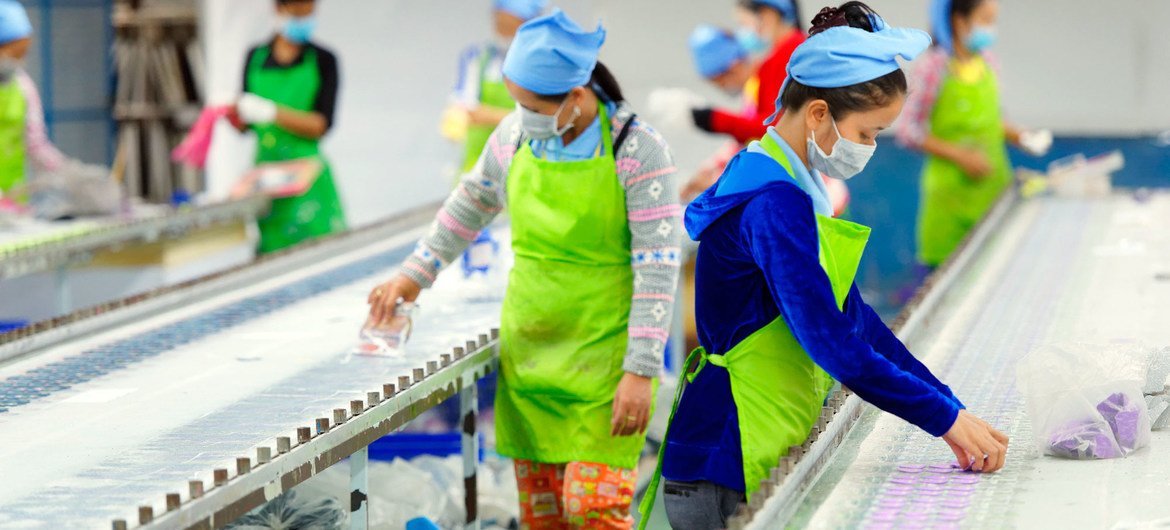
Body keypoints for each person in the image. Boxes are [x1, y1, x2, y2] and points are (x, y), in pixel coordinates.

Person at [640, 4, 1008, 529]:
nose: (870, 149)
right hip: (724, 461)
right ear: (818, 114)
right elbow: (835, 345)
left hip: (757, 442)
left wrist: (953, 407)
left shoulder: (788, 185)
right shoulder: (772, 204)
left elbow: (855, 320)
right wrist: (943, 420)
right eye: (867, 133)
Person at [367, 10, 681, 529]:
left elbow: (657, 265)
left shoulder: (637, 149)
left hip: (605, 367)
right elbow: (468, 204)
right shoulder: (515, 138)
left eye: (532, 106)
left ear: (576, 96)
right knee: (545, 519)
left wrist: (641, 369)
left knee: (593, 511)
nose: (521, 115)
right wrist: (413, 274)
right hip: (532, 364)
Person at [897, 0, 1050, 268]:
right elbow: (908, 131)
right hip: (950, 203)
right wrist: (960, 156)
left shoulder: (989, 63)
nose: (991, 29)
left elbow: (993, 120)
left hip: (993, 193)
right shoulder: (932, 68)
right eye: (986, 19)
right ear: (959, 20)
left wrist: (1021, 137)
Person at [681, 24, 849, 216]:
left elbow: (769, 135)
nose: (721, 87)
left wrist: (715, 121)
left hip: (819, 201)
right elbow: (746, 143)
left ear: (733, 67)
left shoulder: (770, 80)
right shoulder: (753, 89)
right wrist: (710, 169)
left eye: (719, 80)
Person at [234, 0, 346, 254]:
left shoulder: (323, 60)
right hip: (266, 180)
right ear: (279, 9)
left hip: (308, 179)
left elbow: (321, 124)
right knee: (271, 255)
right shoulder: (256, 58)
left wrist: (272, 112)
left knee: (319, 254)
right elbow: (245, 126)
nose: (303, 19)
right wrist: (231, 112)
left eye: (309, 12)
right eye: (297, 13)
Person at [447, 0, 547, 174]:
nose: (502, 32)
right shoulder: (477, 58)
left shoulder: (543, 65)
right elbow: (463, 107)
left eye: (510, 25)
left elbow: (547, 120)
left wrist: (489, 116)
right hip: (477, 166)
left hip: (525, 167)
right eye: (499, 23)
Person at [689, 0, 805, 145]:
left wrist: (714, 119)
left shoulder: (790, 55)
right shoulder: (783, 54)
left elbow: (775, 128)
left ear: (768, 14)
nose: (740, 34)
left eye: (744, 24)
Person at [0, 0, 80, 196]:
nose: (18, 60)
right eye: (14, 52)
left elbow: (36, 144)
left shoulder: (22, 86)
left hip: (13, 201)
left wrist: (70, 174)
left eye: (23, 53)